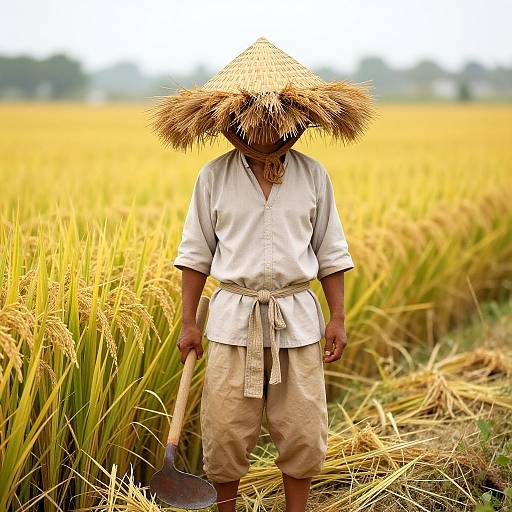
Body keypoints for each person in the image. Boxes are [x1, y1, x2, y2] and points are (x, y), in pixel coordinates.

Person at [150, 36, 374, 512]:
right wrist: (189, 322)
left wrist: (338, 318)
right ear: (236, 120)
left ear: (293, 119)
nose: (268, 128)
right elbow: (195, 254)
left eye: (277, 117)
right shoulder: (213, 177)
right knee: (226, 431)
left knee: (302, 427)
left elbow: (331, 252)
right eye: (257, 116)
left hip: (297, 319)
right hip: (233, 320)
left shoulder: (314, 176)